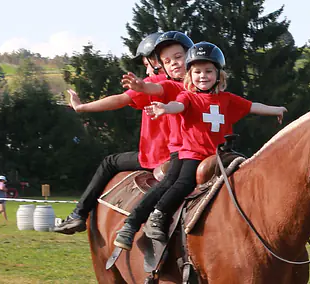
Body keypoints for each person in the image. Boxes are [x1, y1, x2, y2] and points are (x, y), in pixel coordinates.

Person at [113, 42, 287, 250]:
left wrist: (276, 110)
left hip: (219, 154)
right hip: (192, 154)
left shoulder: (226, 99)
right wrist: (165, 108)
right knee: (182, 183)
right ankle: (155, 215)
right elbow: (177, 106)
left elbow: (252, 106)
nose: (203, 76)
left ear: (218, 75)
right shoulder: (187, 97)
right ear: (190, 74)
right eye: (197, 72)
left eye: (208, 71)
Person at [53, 31, 194, 234]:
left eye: (147, 64)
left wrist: (82, 107)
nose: (147, 70)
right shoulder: (196, 83)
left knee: (109, 162)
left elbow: (119, 99)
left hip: (157, 155)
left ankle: (78, 215)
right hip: (190, 153)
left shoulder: (160, 83)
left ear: (156, 62)